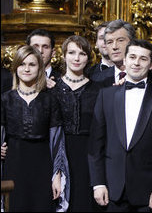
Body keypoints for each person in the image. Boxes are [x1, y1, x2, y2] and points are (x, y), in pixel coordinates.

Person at [88, 39, 152, 212]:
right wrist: (97, 183)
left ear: (151, 65)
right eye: (132, 57)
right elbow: (95, 146)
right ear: (125, 60)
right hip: (112, 189)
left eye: (143, 59)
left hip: (149, 192)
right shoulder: (106, 95)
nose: (136, 63)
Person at [1, 45, 69, 211]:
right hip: (14, 164)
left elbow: (57, 140)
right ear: (15, 67)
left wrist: (57, 175)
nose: (26, 69)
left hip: (42, 164)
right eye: (22, 64)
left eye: (32, 64)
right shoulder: (5, 99)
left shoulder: (50, 100)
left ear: (39, 68)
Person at [51, 35, 104, 211]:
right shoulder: (52, 89)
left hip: (89, 156)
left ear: (88, 57)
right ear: (63, 55)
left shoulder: (99, 90)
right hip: (60, 153)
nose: (76, 58)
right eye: (72, 52)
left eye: (82, 53)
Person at [92, 19, 152, 86]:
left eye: (120, 40)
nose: (114, 47)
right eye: (110, 42)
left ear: (132, 42)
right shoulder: (96, 79)